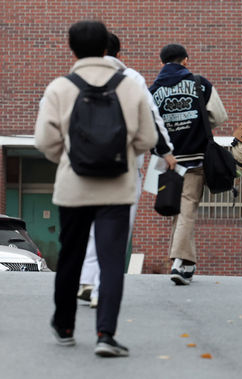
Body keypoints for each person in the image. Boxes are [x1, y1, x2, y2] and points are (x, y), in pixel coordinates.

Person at [35, 20, 157, 356]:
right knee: (112, 261)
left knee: (71, 256)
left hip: (73, 188)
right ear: (107, 49)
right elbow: (148, 138)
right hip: (117, 188)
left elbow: (45, 141)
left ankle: (65, 326)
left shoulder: (61, 87)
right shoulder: (130, 85)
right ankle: (106, 334)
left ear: (71, 49)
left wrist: (71, 159)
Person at [77, 32, 175, 307]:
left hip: (88, 165)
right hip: (125, 164)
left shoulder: (78, 77)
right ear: (119, 55)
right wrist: (165, 151)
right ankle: (100, 290)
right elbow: (151, 115)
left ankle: (86, 278)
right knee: (116, 228)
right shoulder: (131, 78)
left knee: (95, 224)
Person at [149, 43, 228, 285]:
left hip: (166, 161)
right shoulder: (199, 83)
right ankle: (180, 262)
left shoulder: (152, 90)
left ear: (162, 63)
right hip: (195, 158)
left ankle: (187, 263)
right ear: (185, 60)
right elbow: (218, 115)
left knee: (178, 209)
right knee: (186, 209)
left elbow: (148, 124)